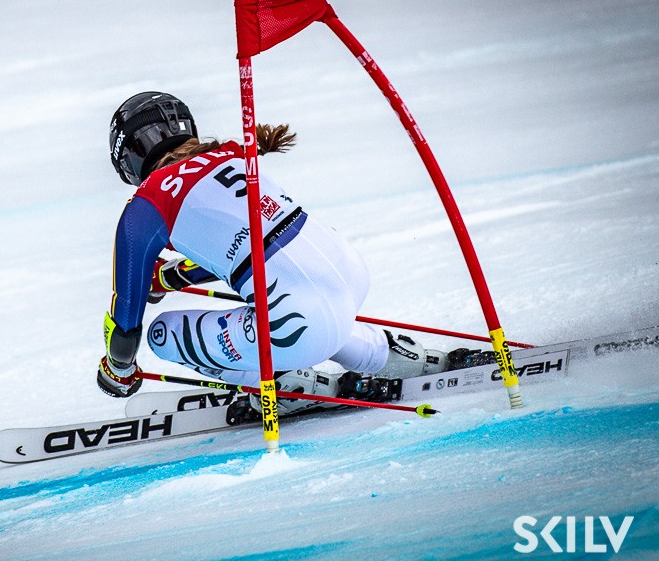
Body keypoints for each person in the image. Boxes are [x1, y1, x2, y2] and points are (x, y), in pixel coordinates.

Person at [97, 91, 470, 417]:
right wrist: (170, 277)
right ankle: (393, 357)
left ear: (128, 161)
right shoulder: (230, 153)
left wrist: (118, 370)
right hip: (347, 272)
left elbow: (126, 319)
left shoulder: (145, 207)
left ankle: (284, 385)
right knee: (300, 299)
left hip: (299, 321)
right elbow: (248, 242)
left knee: (162, 335)